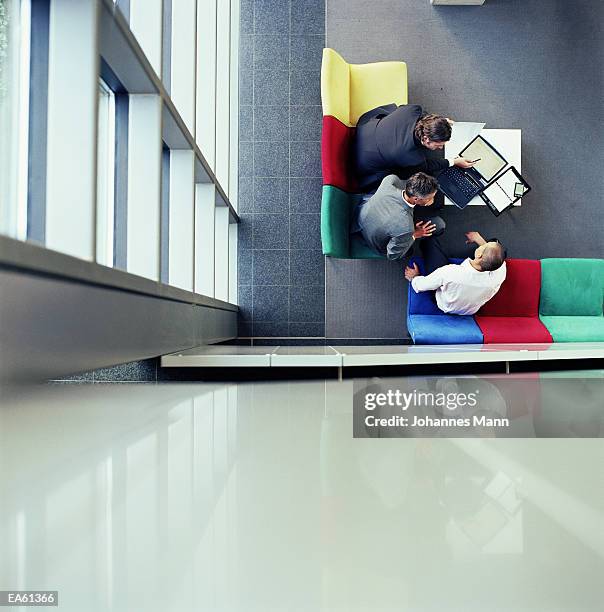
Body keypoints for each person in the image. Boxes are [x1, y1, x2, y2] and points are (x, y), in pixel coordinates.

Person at [354, 104, 477, 191]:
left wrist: (439, 123)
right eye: (439, 145)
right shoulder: (412, 157)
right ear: (426, 139)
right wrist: (454, 162)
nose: (440, 148)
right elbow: (428, 166)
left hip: (367, 128)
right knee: (406, 174)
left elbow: (419, 115)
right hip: (365, 161)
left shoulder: (413, 110)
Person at [403, 231, 507, 315]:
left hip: (445, 305)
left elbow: (420, 286)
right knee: (496, 245)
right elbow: (496, 258)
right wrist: (479, 239)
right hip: (469, 311)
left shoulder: (450, 272)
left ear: (479, 255)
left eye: (483, 247)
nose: (483, 244)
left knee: (430, 243)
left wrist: (414, 277)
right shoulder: (500, 273)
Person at [351, 172, 445, 261]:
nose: (432, 200)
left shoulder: (390, 180)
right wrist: (414, 234)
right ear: (416, 198)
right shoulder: (406, 228)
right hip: (375, 242)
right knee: (439, 225)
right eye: (429, 198)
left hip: (361, 218)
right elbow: (392, 255)